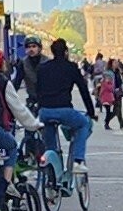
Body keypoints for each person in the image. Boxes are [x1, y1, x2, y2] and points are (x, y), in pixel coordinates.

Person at [23, 37, 92, 188]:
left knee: (50, 146)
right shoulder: (71, 67)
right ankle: (78, 160)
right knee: (83, 124)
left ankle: (52, 172)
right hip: (64, 110)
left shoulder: (43, 68)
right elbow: (83, 90)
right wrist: (91, 111)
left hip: (45, 112)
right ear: (66, 52)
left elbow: (38, 90)